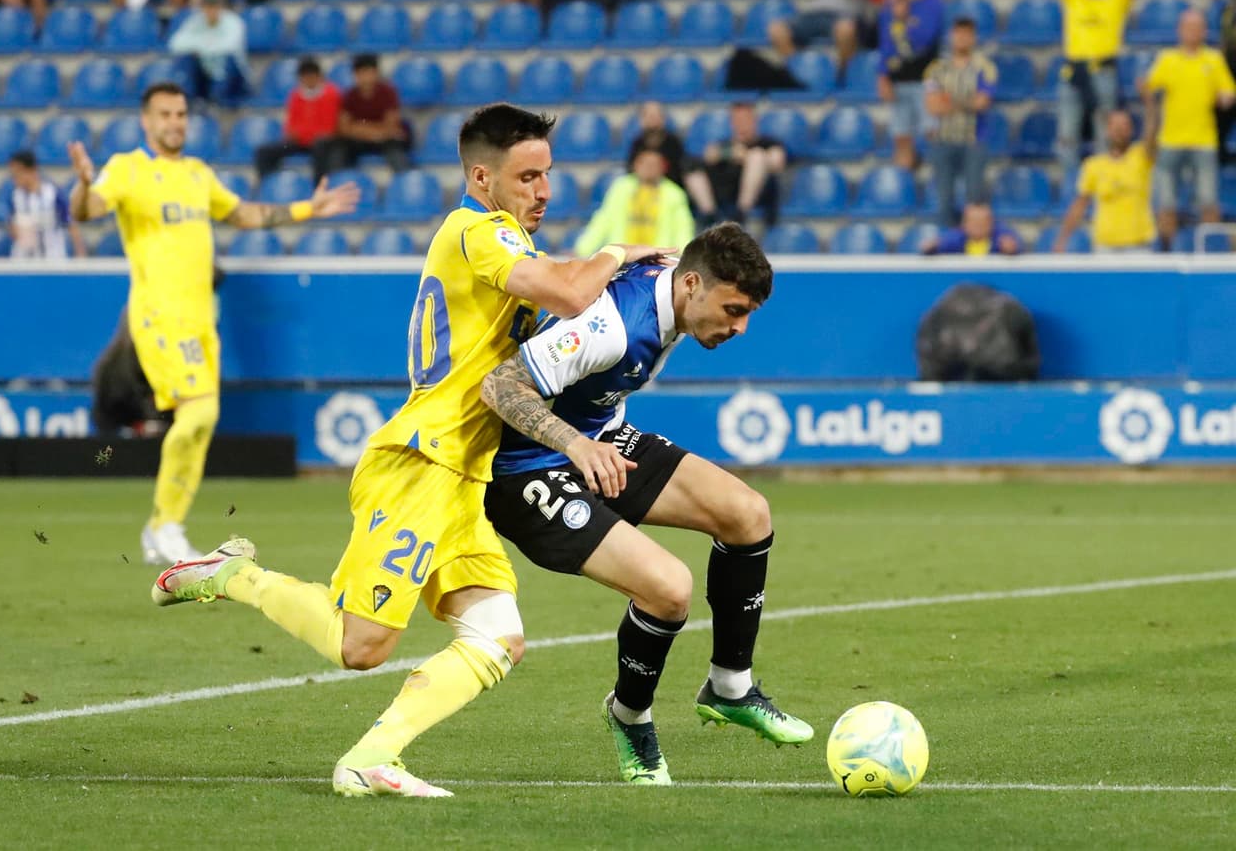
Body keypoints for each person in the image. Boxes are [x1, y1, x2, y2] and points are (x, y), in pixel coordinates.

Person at [147, 103, 676, 798]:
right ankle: (233, 575)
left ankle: (372, 757)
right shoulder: (478, 231)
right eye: (528, 176)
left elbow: (560, 288)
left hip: (464, 476)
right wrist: (619, 252)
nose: (545, 190)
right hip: (424, 462)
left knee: (498, 636)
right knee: (361, 646)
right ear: (482, 178)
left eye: (547, 174)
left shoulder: (507, 241)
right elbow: (573, 292)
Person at [482, 223, 812, 786]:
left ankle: (730, 686)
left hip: (601, 439)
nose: (740, 328)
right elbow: (500, 387)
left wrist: (618, 252)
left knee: (748, 514)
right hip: (526, 468)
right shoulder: (611, 328)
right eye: (733, 311)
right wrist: (575, 445)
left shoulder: (674, 282)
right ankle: (629, 715)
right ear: (692, 285)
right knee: (669, 589)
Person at [67, 82, 360, 564]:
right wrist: (82, 183)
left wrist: (309, 208)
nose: (175, 122)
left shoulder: (197, 174)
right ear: (146, 121)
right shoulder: (127, 169)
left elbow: (242, 214)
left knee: (201, 422)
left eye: (181, 113)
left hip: (202, 319)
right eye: (165, 114)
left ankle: (163, 528)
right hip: (159, 316)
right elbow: (87, 210)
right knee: (198, 413)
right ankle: (165, 526)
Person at [1141, 9, 1236, 251]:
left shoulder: (1213, 60)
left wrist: (1224, 98)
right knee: (1166, 203)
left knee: (1208, 201)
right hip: (1170, 140)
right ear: (1180, 30)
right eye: (1188, 27)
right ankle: (1168, 252)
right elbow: (1148, 85)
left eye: (1197, 27)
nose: (1193, 32)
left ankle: (1210, 251)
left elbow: (1228, 91)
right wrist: (1150, 108)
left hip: (1203, 140)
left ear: (1204, 31)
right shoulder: (1168, 59)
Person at [924, 16, 997, 228]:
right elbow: (933, 106)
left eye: (967, 34)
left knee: (974, 197)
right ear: (951, 36)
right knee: (943, 199)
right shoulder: (936, 68)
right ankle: (948, 241)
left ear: (973, 37)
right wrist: (966, 101)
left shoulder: (985, 68)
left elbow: (982, 103)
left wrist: (949, 99)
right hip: (942, 140)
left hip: (974, 140)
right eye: (958, 34)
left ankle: (973, 241)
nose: (962, 38)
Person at [1053, 110, 1156, 254]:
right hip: (1105, 245)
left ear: (1131, 130)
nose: (1119, 130)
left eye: (1124, 125)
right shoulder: (1093, 165)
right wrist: (1063, 239)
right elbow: (1080, 205)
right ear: (1107, 130)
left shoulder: (1141, 156)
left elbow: (1152, 134)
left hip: (1139, 244)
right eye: (1115, 126)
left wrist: (1150, 106)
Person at [1056, 0, 1131, 174]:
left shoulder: (1115, 1)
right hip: (1074, 72)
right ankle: (1071, 182)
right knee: (1067, 136)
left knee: (1104, 135)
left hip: (1104, 71)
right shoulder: (1075, 0)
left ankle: (1102, 180)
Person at [574, 149, 693, 257]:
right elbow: (603, 220)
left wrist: (685, 255)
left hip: (659, 258)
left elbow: (683, 227)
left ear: (663, 168)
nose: (648, 168)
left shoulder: (674, 193)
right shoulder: (621, 188)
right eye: (644, 164)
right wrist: (582, 250)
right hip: (622, 256)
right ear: (636, 165)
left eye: (653, 165)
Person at [684, 102, 785, 228]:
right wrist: (729, 153)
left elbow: (777, 162)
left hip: (758, 195)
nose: (741, 124)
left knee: (757, 156)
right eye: (737, 120)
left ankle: (741, 212)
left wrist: (745, 156)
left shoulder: (768, 143)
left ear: (754, 121)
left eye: (745, 119)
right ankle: (710, 215)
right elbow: (709, 155)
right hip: (725, 191)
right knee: (691, 167)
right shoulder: (725, 144)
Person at [314, 54, 412, 177]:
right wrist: (373, 131)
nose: (366, 77)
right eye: (362, 73)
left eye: (369, 72)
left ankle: (404, 180)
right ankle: (336, 182)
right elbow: (343, 128)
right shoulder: (350, 95)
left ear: (376, 73)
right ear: (355, 75)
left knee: (395, 148)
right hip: (359, 141)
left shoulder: (388, 93)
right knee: (339, 149)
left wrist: (359, 128)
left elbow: (391, 125)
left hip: (383, 140)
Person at [878, 0, 943, 170]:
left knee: (933, 131)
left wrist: (903, 19)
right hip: (898, 82)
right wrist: (882, 76)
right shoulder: (890, 5)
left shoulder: (932, 3)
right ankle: (904, 176)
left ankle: (940, 175)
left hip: (927, 80)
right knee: (901, 136)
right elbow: (885, 43)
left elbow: (924, 41)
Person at [254, 58, 341, 182]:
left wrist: (302, 133)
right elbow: (290, 125)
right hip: (300, 142)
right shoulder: (296, 95)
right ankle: (268, 183)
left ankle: (318, 185)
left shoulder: (331, 94)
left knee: (321, 145)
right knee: (264, 151)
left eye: (311, 76)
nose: (308, 80)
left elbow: (329, 128)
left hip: (321, 143)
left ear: (318, 76)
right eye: (304, 77)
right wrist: (294, 134)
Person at [167, 0, 250, 107]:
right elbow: (175, 44)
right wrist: (207, 46)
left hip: (234, 77)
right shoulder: (195, 21)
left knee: (226, 60)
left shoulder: (233, 21)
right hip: (205, 73)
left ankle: (218, 102)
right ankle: (188, 100)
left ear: (221, 6)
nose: (211, 10)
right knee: (185, 60)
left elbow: (229, 46)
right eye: (208, 6)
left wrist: (199, 46)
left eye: (214, 5)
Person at [5, 150, 86, 259]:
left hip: (52, 257)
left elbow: (70, 223)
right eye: (13, 174)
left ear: (31, 170)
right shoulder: (14, 196)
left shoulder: (53, 193)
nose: (15, 178)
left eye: (18, 173)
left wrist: (80, 253)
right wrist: (17, 231)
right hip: (23, 257)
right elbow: (11, 225)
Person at [921, 203, 1021, 255]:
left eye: (982, 222)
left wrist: (1011, 250)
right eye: (974, 222)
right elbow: (936, 247)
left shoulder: (1002, 237)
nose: (978, 227)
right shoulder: (955, 238)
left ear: (991, 223)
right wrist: (931, 248)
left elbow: (1018, 248)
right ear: (964, 224)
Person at [625, 102, 685, 188]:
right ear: (642, 120)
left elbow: (680, 171)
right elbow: (631, 171)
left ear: (663, 119)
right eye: (649, 116)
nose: (653, 121)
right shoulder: (637, 143)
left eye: (656, 116)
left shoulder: (673, 143)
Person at [1218, 0, 1236, 168]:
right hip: (1230, 71)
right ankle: (1221, 154)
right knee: (1221, 114)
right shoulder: (1228, 11)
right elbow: (1224, 44)